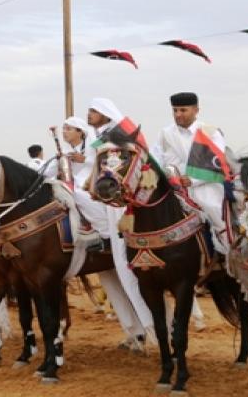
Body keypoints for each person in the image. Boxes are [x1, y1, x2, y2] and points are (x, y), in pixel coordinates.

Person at [86, 97, 155, 350]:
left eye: (94, 110)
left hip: (117, 199)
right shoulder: (99, 137)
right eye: (89, 110)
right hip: (101, 192)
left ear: (106, 113)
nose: (90, 114)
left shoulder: (116, 137)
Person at [156, 92, 228, 254]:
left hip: (207, 185)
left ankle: (228, 255)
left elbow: (217, 162)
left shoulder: (210, 132)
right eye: (175, 110)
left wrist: (193, 180)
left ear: (196, 110)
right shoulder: (166, 133)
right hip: (177, 187)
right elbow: (163, 158)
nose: (178, 115)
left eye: (183, 110)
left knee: (216, 212)